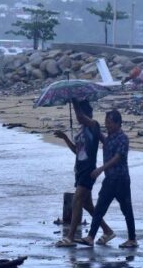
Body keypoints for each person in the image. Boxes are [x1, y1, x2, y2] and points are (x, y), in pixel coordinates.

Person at [54, 100, 115, 247]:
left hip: (88, 170)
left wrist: (73, 100)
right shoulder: (81, 131)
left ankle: (69, 237)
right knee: (88, 206)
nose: (78, 117)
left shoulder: (94, 126)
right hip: (80, 170)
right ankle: (107, 231)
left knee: (76, 200)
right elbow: (77, 151)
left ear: (86, 113)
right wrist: (65, 138)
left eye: (81, 113)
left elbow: (80, 117)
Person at [76, 109, 137, 249]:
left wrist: (100, 169)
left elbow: (117, 158)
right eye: (106, 123)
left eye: (109, 123)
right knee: (99, 209)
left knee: (127, 210)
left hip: (121, 180)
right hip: (109, 180)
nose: (107, 125)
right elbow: (100, 136)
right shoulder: (108, 138)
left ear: (117, 123)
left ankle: (132, 239)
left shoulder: (123, 138)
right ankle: (91, 237)